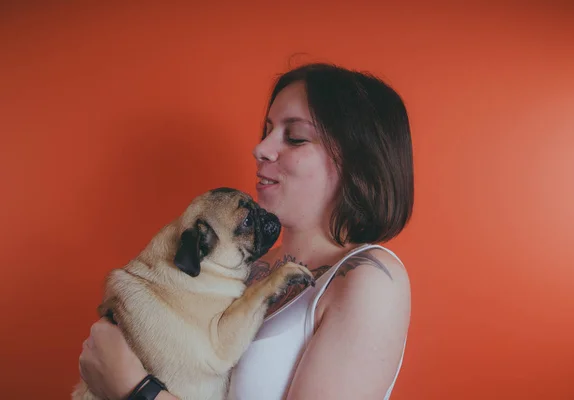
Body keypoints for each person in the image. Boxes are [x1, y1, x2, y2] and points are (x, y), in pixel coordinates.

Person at [78, 62, 413, 400]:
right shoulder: (240, 266)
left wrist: (134, 389)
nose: (261, 149)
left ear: (358, 166)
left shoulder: (369, 279)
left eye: (294, 137)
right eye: (266, 131)